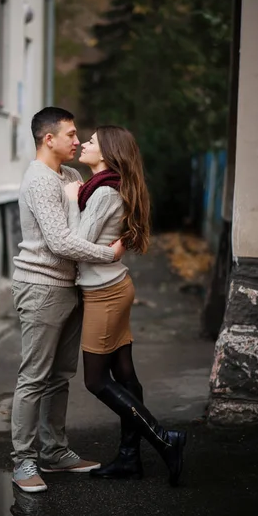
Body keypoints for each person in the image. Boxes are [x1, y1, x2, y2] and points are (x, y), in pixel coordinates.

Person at [64, 125, 186, 486]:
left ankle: (165, 440)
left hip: (104, 293)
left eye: (91, 141)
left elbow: (75, 242)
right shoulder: (107, 187)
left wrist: (71, 202)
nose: (84, 143)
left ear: (106, 153)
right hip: (113, 286)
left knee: (97, 381)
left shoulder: (101, 193)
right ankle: (129, 458)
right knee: (124, 374)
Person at [11, 108, 125, 493]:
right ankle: (23, 461)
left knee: (60, 376)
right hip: (41, 286)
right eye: (72, 134)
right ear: (49, 139)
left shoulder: (72, 176)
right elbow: (61, 243)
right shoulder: (40, 181)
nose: (78, 141)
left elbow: (83, 230)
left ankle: (54, 452)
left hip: (70, 286)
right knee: (34, 377)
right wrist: (109, 255)